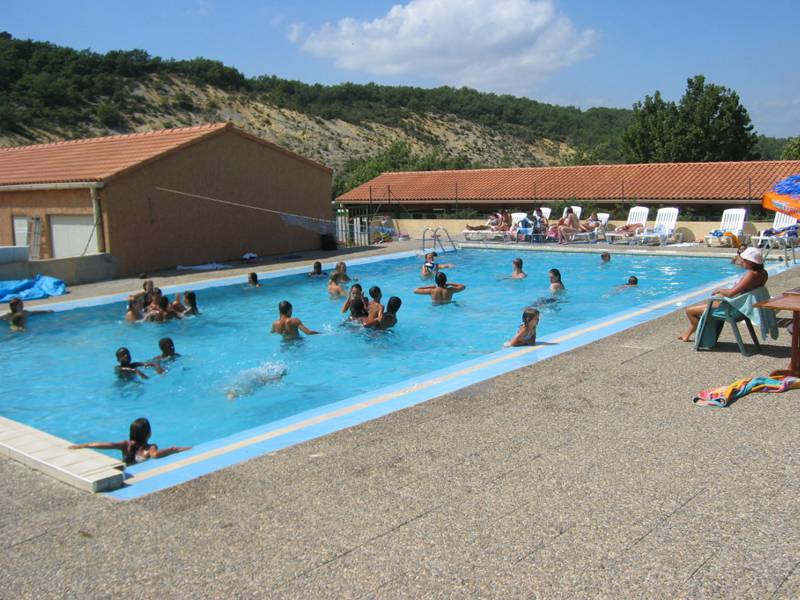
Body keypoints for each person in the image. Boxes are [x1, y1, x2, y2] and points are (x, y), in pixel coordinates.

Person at [679, 247, 768, 342]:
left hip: (734, 310)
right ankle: (687, 333)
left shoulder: (751, 274)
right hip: (742, 307)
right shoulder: (763, 273)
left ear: (750, 262)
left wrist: (719, 290)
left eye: (744, 260)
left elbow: (731, 293)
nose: (742, 261)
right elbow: (745, 291)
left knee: (689, 311)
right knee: (706, 305)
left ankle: (690, 333)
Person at [68, 417, 190, 466]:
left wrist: (85, 445)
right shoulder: (150, 447)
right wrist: (174, 449)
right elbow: (155, 455)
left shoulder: (125, 445)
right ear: (149, 434)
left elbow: (107, 445)